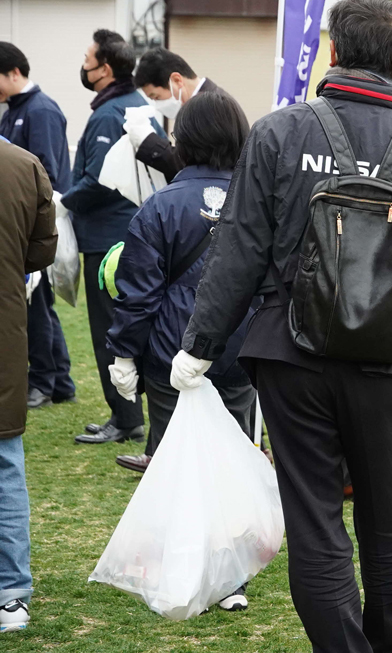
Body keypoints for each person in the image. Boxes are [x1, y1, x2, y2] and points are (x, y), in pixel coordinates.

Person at [169, 0, 392, 652]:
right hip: (390, 362)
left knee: (315, 520)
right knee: (391, 521)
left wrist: (198, 344)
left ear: (333, 51)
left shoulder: (280, 132)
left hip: (292, 355)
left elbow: (240, 247)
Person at [104, 92, 255, 611]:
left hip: (172, 353)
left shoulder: (161, 205)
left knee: (172, 462)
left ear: (182, 140)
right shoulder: (257, 200)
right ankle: (231, 579)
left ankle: (182, 567)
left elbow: (138, 293)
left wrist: (123, 355)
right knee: (232, 460)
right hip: (240, 352)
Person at [61, 30, 164, 445]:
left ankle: (124, 418)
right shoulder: (141, 104)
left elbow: (97, 181)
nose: (83, 66)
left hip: (107, 241)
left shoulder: (109, 113)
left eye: (87, 58)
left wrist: (61, 202)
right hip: (138, 234)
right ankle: (132, 413)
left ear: (104, 68)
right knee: (136, 326)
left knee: (110, 329)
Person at [0, 138, 57, 633]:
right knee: (5, 461)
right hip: (5, 329)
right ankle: (11, 592)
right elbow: (41, 248)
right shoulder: (24, 165)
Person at [0, 41, 76, 409]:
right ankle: (60, 381)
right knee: (40, 307)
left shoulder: (40, 110)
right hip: (23, 227)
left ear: (14, 72)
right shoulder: (13, 110)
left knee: (35, 309)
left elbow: (43, 173)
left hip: (34, 226)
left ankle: (43, 383)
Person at [128, 47, 238, 182]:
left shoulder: (211, 109)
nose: (157, 105)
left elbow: (191, 167)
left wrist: (149, 142)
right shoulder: (202, 105)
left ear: (177, 80)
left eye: (156, 96)